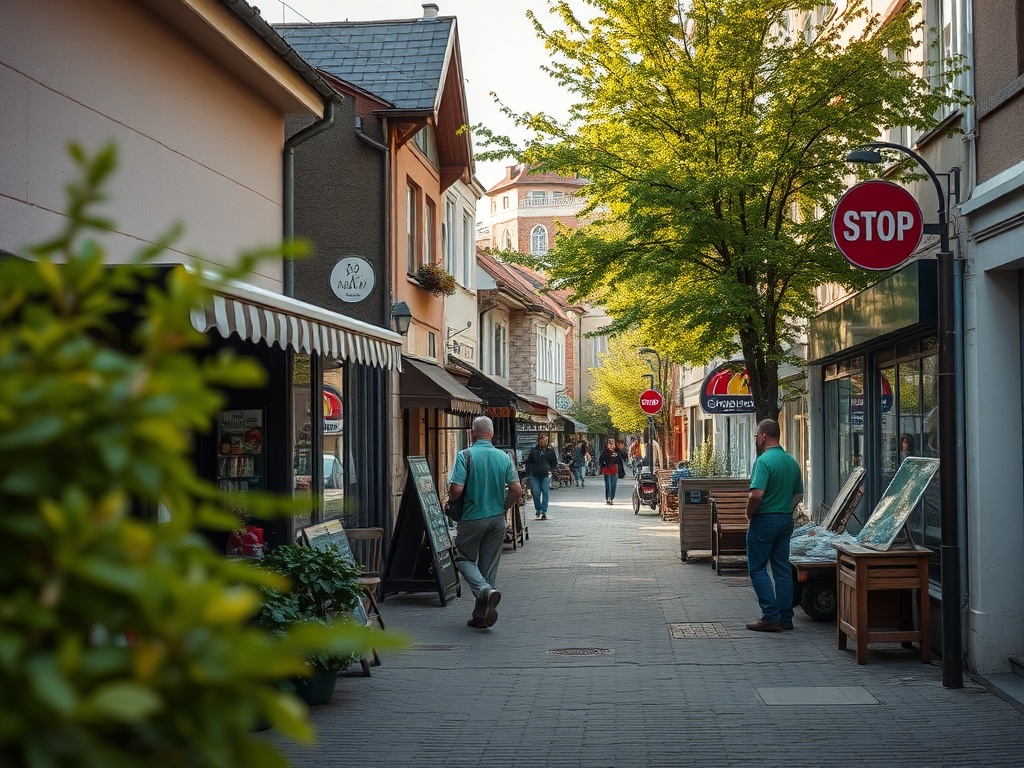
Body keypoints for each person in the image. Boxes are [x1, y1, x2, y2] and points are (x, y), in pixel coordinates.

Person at [447, 416, 522, 630]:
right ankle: (481, 616)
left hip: (472, 518)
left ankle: (484, 590)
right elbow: (516, 489)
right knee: (488, 568)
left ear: (473, 433)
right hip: (496, 519)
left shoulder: (465, 456)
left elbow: (456, 489)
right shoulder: (503, 457)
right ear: (492, 434)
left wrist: (451, 501)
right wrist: (503, 508)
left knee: (463, 559)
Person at [744, 419, 804, 632]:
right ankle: (786, 617)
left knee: (758, 568)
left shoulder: (763, 461)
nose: (756, 440)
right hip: (785, 520)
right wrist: (785, 508)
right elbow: (799, 493)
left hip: (765, 520)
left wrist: (749, 513)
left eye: (755, 436)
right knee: (782, 569)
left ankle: (770, 616)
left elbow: (757, 493)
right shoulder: (790, 461)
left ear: (762, 436)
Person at [524, 433, 558, 520]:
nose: (543, 442)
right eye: (541, 440)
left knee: (545, 491)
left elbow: (554, 462)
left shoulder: (550, 451)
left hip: (546, 474)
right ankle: (538, 508)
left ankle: (544, 510)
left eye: (545, 440)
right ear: (538, 441)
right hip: (535, 474)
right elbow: (529, 462)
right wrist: (529, 473)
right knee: (536, 492)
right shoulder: (533, 451)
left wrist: (551, 470)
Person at [599, 437, 625, 505]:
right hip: (607, 470)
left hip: (614, 470)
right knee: (608, 484)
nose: (611, 445)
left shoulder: (617, 453)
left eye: (613, 444)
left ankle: (612, 498)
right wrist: (603, 466)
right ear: (607, 445)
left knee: (614, 485)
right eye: (610, 444)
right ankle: (608, 498)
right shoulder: (604, 453)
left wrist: (621, 472)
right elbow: (601, 461)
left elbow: (620, 462)